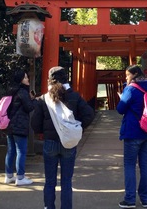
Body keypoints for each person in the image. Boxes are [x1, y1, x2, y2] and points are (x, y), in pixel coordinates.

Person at [31, 66, 95, 209]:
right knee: (66, 181)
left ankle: (49, 206)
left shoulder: (43, 99)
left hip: (50, 142)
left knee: (49, 181)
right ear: (66, 77)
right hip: (69, 142)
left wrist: (44, 131)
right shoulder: (75, 96)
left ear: (50, 79)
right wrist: (79, 128)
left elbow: (35, 124)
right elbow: (89, 114)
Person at [116, 65, 147, 209]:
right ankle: (145, 199)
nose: (126, 77)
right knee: (145, 165)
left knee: (129, 165)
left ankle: (130, 199)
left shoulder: (131, 89)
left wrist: (123, 95)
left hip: (133, 131)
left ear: (134, 74)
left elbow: (120, 109)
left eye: (127, 75)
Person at [4, 70, 36, 186]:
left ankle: (8, 176)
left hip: (10, 125)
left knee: (11, 151)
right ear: (21, 80)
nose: (27, 79)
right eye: (26, 77)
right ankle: (20, 177)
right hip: (20, 126)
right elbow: (29, 108)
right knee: (21, 151)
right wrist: (34, 100)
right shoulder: (22, 92)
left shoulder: (11, 91)